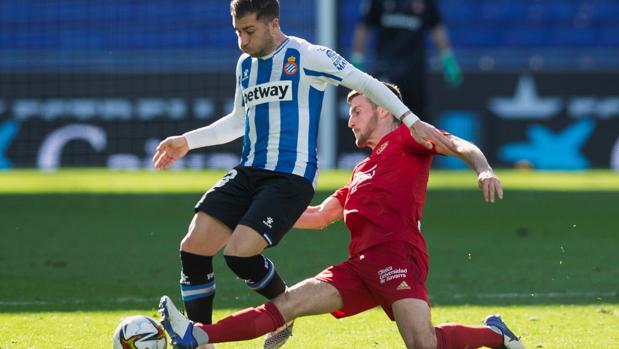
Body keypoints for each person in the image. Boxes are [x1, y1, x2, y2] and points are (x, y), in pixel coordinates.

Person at [151, 1, 456, 348]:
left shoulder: (308, 56)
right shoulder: (245, 65)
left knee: (238, 254)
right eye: (238, 32)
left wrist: (412, 122)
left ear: (273, 23)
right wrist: (187, 141)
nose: (242, 41)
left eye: (249, 31)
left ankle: (284, 308)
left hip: (289, 176)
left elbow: (365, 82)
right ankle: (198, 338)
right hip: (249, 169)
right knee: (193, 247)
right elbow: (238, 121)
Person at [157, 82, 525, 349]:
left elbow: (458, 144)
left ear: (383, 109)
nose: (349, 120)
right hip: (359, 266)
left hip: (398, 255)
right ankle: (196, 335)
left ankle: (496, 336)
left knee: (422, 344)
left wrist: (483, 168)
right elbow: (318, 216)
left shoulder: (408, 138)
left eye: (356, 110)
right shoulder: (361, 171)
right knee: (287, 305)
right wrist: (254, 213)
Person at [351, 0, 462, 118]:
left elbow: (436, 27)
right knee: (385, 121)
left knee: (417, 120)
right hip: (386, 71)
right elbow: (364, 26)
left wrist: (447, 58)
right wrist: (357, 58)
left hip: (414, 73)